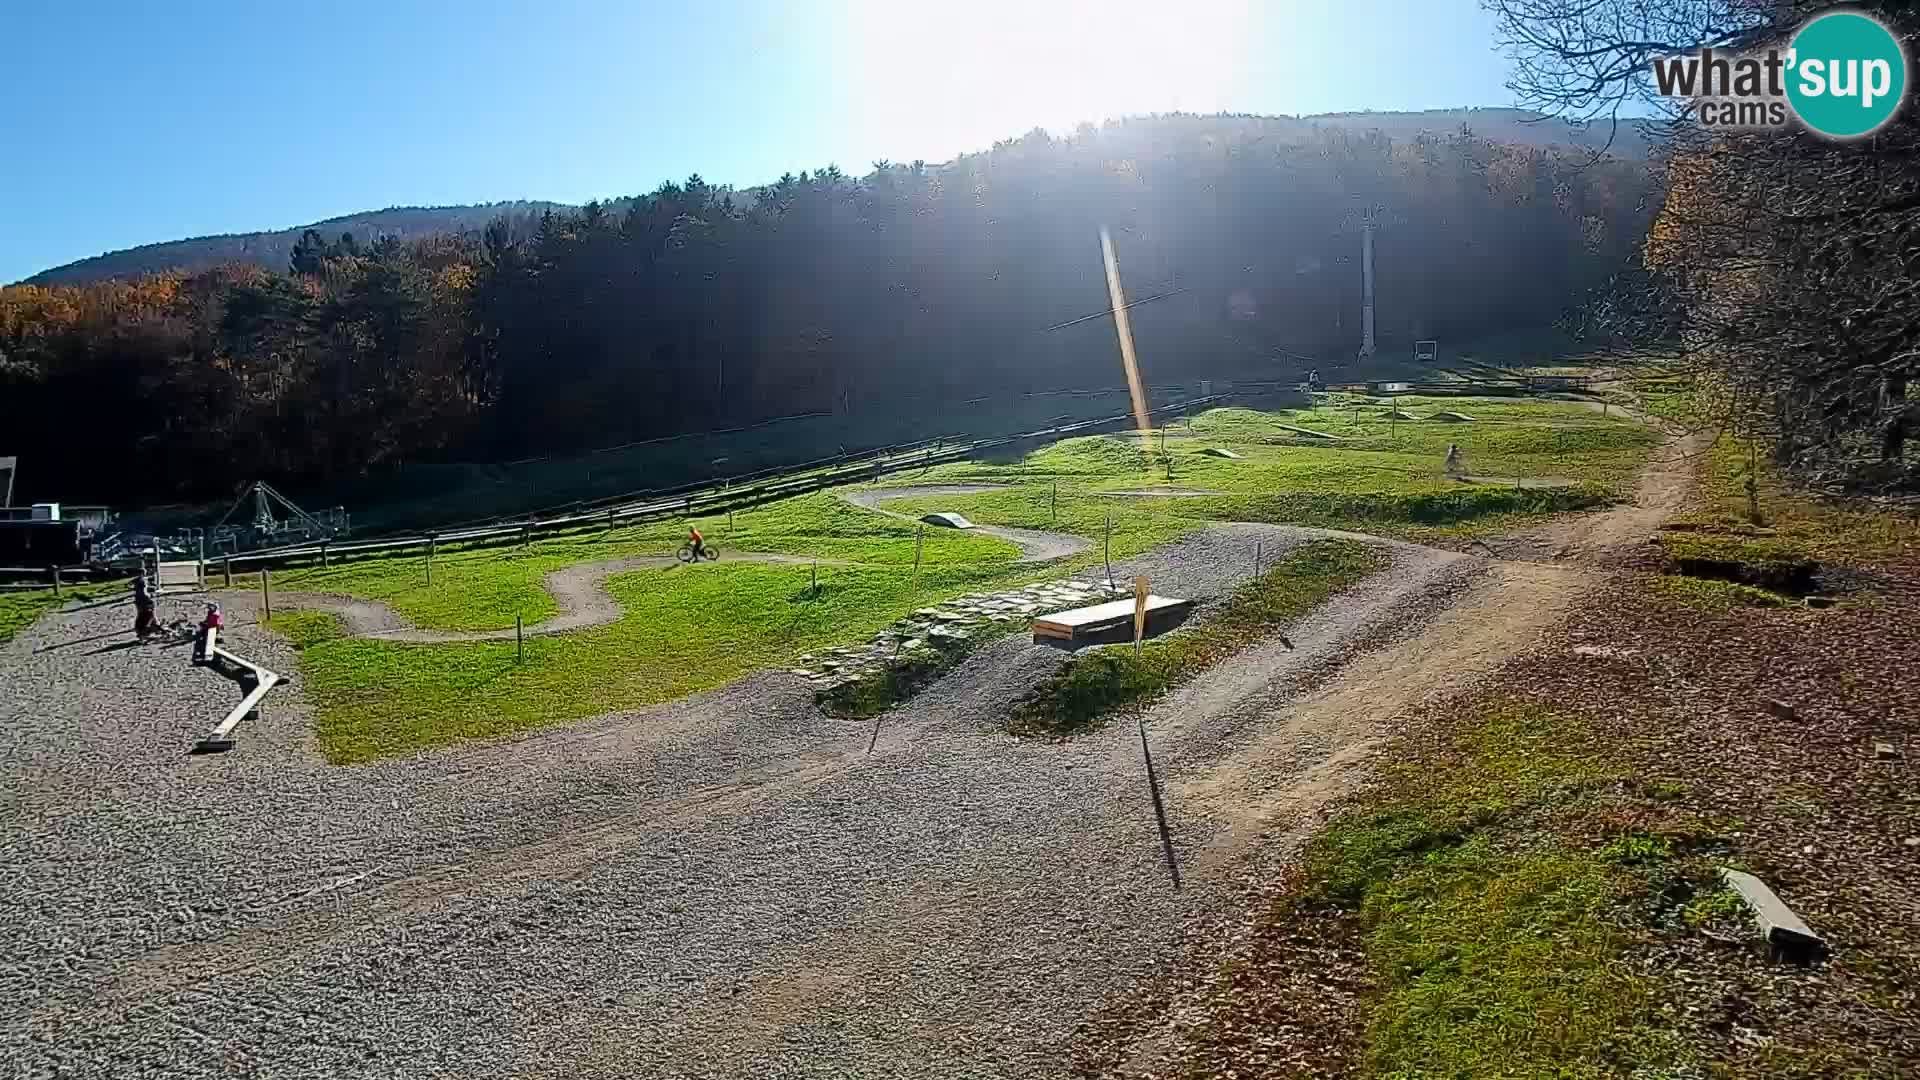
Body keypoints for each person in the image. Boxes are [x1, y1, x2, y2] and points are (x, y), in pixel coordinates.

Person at [132, 572, 157, 639]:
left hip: (140, 603)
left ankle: (150, 628)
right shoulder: (142, 588)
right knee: (148, 615)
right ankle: (147, 630)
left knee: (144, 615)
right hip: (144, 602)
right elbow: (145, 594)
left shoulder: (138, 591)